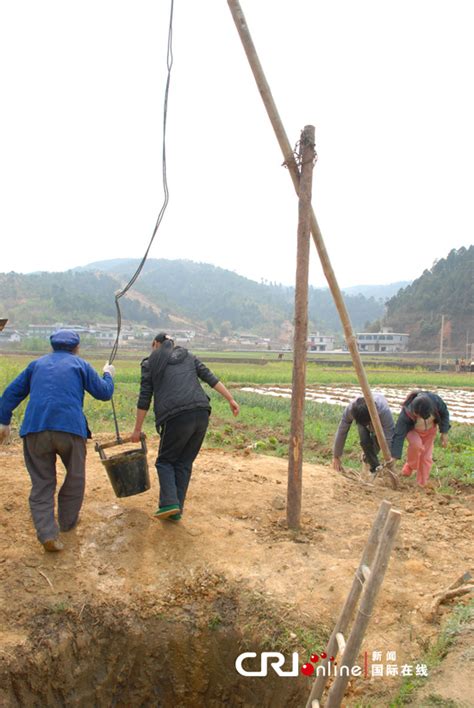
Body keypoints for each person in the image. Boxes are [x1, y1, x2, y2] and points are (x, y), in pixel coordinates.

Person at [0, 330, 115, 551]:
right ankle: (67, 523)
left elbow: (10, 394)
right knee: (75, 476)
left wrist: (4, 421)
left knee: (42, 483)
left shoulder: (36, 365)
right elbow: (104, 393)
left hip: (36, 428)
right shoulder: (80, 365)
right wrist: (108, 374)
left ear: (52, 347)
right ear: (76, 347)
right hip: (70, 429)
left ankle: (47, 534)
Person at [131, 333, 239, 520]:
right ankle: (176, 511)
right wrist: (230, 398)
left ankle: (169, 503)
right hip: (201, 413)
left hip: (176, 417)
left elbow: (144, 398)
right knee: (183, 462)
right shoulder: (188, 356)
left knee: (164, 461)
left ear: (155, 344)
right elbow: (210, 378)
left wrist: (137, 429)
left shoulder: (150, 363)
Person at [391, 390, 450, 487]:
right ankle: (411, 465)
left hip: (430, 431)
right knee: (416, 445)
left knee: (426, 457)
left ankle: (421, 483)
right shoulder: (406, 414)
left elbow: (445, 414)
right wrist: (394, 456)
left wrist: (444, 432)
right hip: (413, 431)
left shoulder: (436, 402)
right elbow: (399, 435)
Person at [332, 394, 395, 477]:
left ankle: (368, 458)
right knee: (365, 441)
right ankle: (374, 469)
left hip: (378, 419)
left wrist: (390, 459)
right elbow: (342, 431)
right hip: (364, 416)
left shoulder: (384, 411)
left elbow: (389, 437)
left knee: (379, 442)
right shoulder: (351, 410)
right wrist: (336, 456)